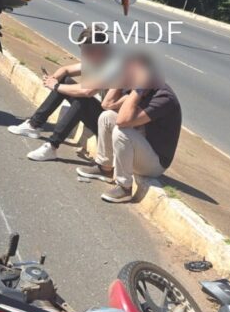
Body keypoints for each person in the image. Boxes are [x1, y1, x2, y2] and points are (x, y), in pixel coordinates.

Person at [76, 54, 182, 203]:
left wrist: (138, 90)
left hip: (155, 162)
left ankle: (124, 187)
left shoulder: (163, 97)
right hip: (140, 145)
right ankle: (104, 168)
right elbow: (106, 104)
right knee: (106, 117)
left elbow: (122, 121)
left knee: (121, 131)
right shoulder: (137, 87)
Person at [7, 26, 116, 161]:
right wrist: (53, 79)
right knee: (65, 81)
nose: (83, 55)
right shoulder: (98, 59)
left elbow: (87, 91)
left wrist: (56, 86)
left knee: (82, 99)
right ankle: (33, 125)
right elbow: (65, 70)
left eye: (86, 51)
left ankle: (52, 146)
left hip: (112, 125)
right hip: (101, 116)